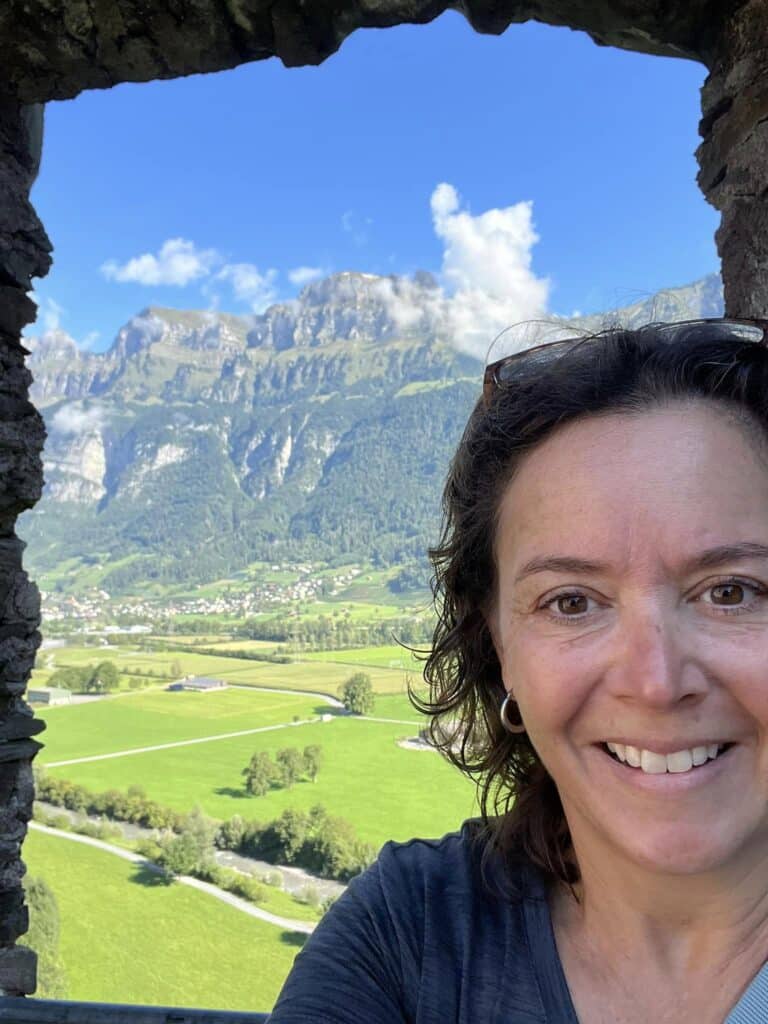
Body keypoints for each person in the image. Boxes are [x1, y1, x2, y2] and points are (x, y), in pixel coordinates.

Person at [267, 318, 768, 1023]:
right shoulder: (411, 937)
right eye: (571, 602)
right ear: (498, 644)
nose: (656, 682)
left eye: (732, 591)